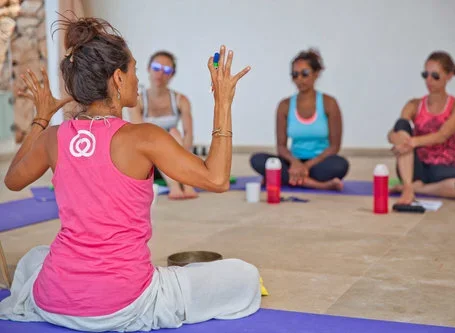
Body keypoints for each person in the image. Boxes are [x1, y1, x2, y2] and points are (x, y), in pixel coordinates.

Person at [0, 17, 260, 332]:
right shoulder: (143, 137)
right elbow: (217, 179)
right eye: (134, 69)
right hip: (125, 303)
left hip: (53, 299)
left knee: (35, 259)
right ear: (119, 78)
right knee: (243, 276)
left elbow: (12, 179)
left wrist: (42, 118)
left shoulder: (54, 137)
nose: (138, 79)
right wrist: (223, 102)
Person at [387, 51, 455, 204]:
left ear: (449, 75)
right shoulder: (414, 104)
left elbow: (442, 135)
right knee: (402, 124)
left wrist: (411, 142)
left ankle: (416, 189)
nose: (429, 80)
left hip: (441, 168)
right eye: (425, 75)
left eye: (435, 76)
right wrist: (396, 138)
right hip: (415, 167)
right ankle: (408, 187)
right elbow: (397, 130)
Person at [250, 49, 349, 190]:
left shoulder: (329, 103)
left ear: (316, 74)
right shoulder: (284, 106)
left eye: (305, 74)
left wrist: (305, 166)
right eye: (295, 75)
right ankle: (320, 185)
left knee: (340, 165)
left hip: (318, 163)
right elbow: (281, 147)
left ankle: (285, 178)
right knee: (257, 160)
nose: (299, 79)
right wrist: (295, 163)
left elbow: (334, 146)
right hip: (291, 162)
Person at [129, 50, 197, 200]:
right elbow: (139, 135)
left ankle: (187, 183)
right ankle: (175, 186)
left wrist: (182, 158)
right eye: (156, 67)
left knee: (174, 132)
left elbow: (189, 135)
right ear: (148, 69)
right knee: (159, 137)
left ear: (172, 74)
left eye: (166, 70)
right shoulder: (137, 100)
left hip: (176, 157)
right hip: (149, 160)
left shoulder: (181, 100)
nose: (160, 74)